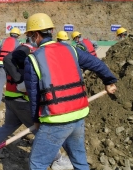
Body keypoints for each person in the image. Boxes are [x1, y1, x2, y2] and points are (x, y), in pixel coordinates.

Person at [23, 13, 117, 170]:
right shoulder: (71, 49)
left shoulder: (33, 58)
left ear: (36, 35)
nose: (30, 39)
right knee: (79, 161)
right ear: (51, 31)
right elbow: (97, 64)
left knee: (37, 163)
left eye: (30, 35)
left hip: (55, 119)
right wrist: (109, 81)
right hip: (78, 115)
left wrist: (36, 120)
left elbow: (34, 95)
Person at [0, 39, 73, 169]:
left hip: (11, 99)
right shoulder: (28, 49)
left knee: (8, 126)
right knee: (42, 132)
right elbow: (8, 60)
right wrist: (21, 81)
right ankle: (57, 160)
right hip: (22, 101)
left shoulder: (26, 51)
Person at [0, 27, 21, 106]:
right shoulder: (18, 43)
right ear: (18, 35)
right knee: (13, 83)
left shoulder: (3, 41)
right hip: (11, 65)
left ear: (10, 34)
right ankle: (13, 101)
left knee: (0, 84)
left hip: (1, 63)